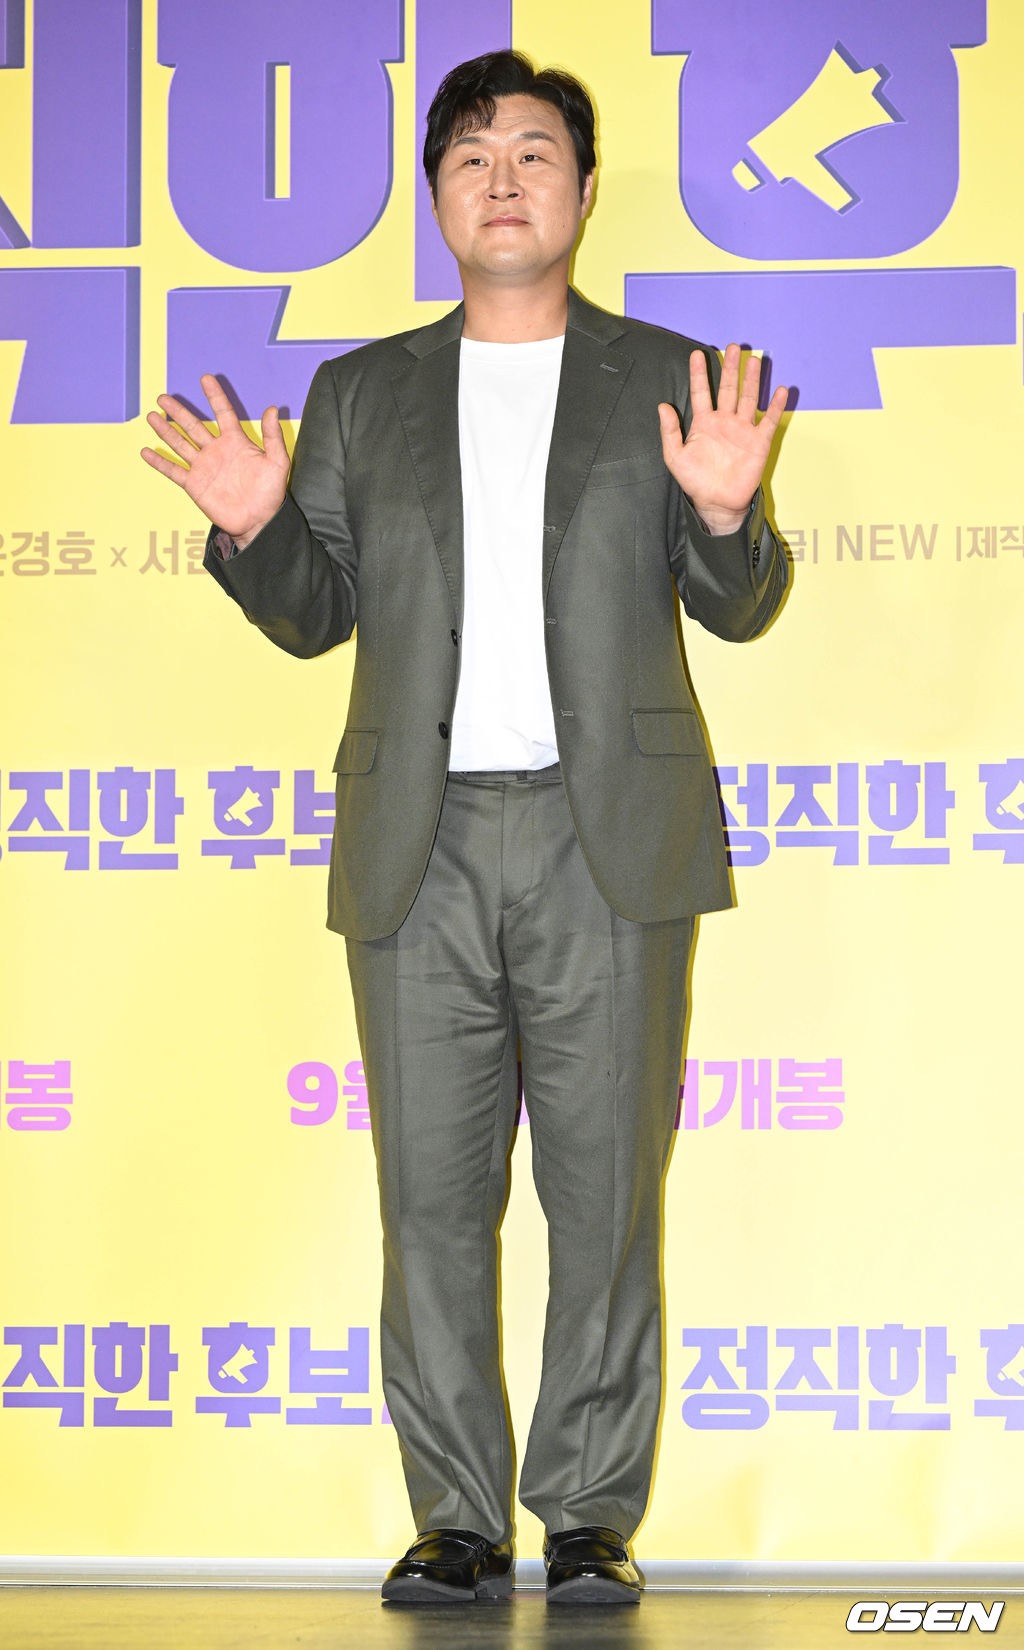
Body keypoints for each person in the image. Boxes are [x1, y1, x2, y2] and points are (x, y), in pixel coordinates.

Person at [141, 49, 789, 1606]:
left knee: (603, 1198)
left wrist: (722, 511)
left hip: (605, 837)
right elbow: (318, 614)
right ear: (438, 198)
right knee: (429, 1199)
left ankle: (588, 1513)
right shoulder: (363, 394)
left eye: (534, 152)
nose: (504, 180)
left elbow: (743, 603)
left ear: (584, 187)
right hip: (416, 846)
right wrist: (255, 529)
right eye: (472, 157)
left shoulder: (671, 375)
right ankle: (453, 1513)